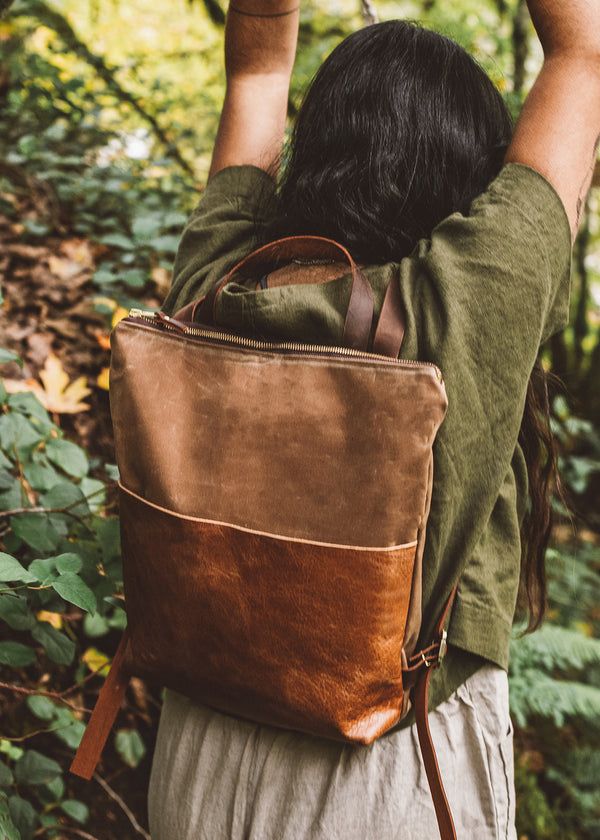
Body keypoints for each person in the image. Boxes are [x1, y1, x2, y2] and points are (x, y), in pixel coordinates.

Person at [148, 2, 600, 838]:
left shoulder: (214, 290)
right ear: (471, 176)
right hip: (385, 771)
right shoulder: (454, 313)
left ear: (315, 146)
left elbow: (255, 71)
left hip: (197, 749)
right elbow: (586, 50)